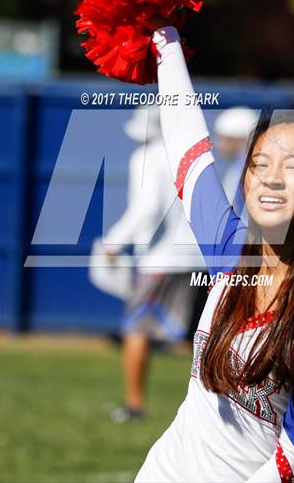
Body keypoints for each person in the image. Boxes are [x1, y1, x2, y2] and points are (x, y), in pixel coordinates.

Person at [134, 25, 294, 481]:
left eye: (293, 167)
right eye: (260, 163)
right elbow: (188, 150)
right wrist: (165, 38)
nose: (271, 177)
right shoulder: (231, 254)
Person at [101, 106, 207, 422]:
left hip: (161, 258)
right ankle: (219, 404)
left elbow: (147, 207)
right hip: (197, 256)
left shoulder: (148, 156)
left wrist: (114, 241)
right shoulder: (194, 153)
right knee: (200, 335)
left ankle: (134, 404)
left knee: (136, 327)